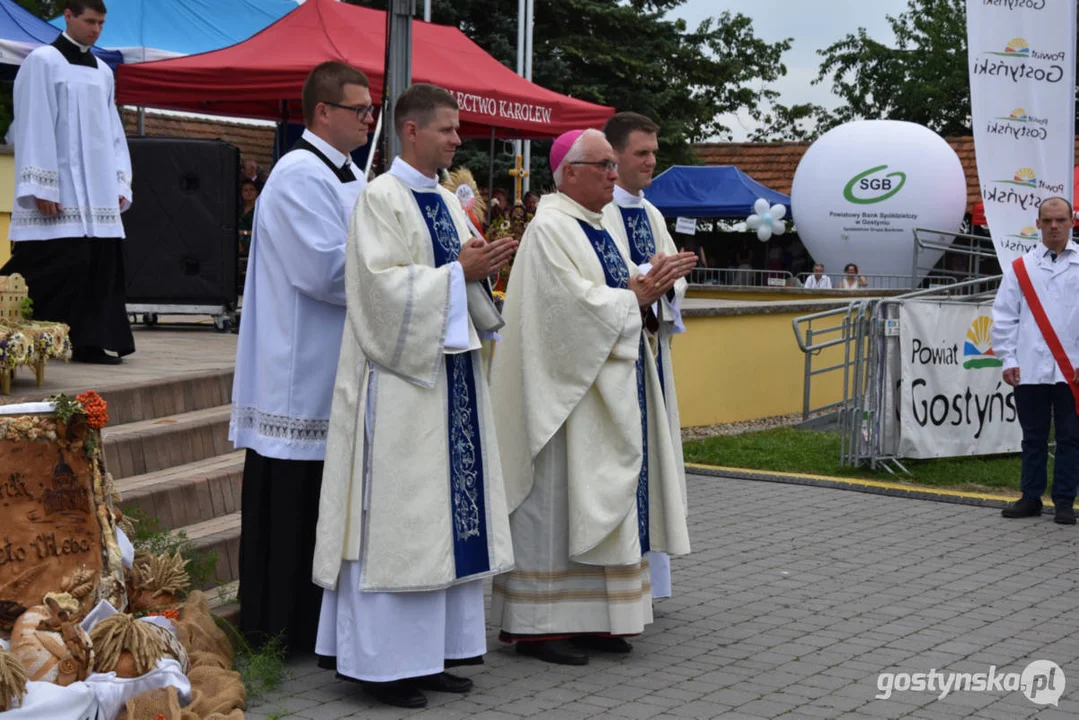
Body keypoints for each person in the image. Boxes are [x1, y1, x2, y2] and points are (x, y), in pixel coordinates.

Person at [311, 84, 516, 708]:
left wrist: (475, 271)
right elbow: (377, 292)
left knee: (446, 519)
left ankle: (431, 655)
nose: (458, 140)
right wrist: (461, 276)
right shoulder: (381, 198)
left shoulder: (447, 202)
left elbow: (459, 273)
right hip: (400, 388)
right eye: (448, 130)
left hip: (449, 380)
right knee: (401, 520)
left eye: (457, 131)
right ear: (410, 131)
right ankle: (383, 664)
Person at [489, 128, 694, 666]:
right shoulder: (551, 228)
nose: (613, 174)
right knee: (557, 502)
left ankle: (599, 619)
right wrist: (634, 296)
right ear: (570, 172)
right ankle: (541, 624)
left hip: (601, 388)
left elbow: (610, 294)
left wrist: (649, 288)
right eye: (603, 166)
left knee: (602, 499)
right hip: (562, 397)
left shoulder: (596, 225)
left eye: (612, 165)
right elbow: (565, 310)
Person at [228, 61, 374, 656]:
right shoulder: (295, 174)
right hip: (298, 366)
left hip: (334, 361)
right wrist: (403, 277)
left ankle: (315, 623)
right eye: (358, 110)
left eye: (369, 109)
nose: (368, 118)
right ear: (322, 113)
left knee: (320, 503)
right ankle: (278, 627)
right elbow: (323, 270)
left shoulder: (350, 175)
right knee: (290, 504)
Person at [2, 0, 133, 365]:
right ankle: (19, 335)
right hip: (62, 190)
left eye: (102, 23)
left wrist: (121, 181)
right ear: (69, 17)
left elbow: (112, 131)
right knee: (54, 264)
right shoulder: (43, 61)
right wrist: (42, 186)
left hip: (98, 193)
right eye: (90, 21)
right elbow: (34, 122)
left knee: (98, 264)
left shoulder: (103, 71)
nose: (96, 30)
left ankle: (89, 342)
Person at [601, 111, 690, 602]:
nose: (652, 161)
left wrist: (671, 282)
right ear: (614, 155)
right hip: (618, 356)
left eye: (654, 152)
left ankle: (651, 580)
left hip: (651, 356)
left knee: (655, 461)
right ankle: (621, 579)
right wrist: (645, 278)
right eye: (642, 152)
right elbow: (602, 283)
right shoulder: (601, 212)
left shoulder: (652, 214)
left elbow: (672, 278)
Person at [992, 196, 1079, 525]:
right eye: (1048, 220)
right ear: (1038, 224)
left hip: (1072, 370)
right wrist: (1007, 358)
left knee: (1071, 437)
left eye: (1060, 220)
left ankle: (1064, 501)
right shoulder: (1021, 267)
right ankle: (1030, 497)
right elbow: (1004, 317)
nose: (1054, 226)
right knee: (1033, 436)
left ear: (1072, 222)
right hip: (1029, 366)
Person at [237, 179, 258, 255]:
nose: (249, 193)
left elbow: (260, 231)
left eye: (251, 190)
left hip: (254, 241)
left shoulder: (260, 210)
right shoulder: (237, 209)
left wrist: (243, 232)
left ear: (256, 192)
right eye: (245, 190)